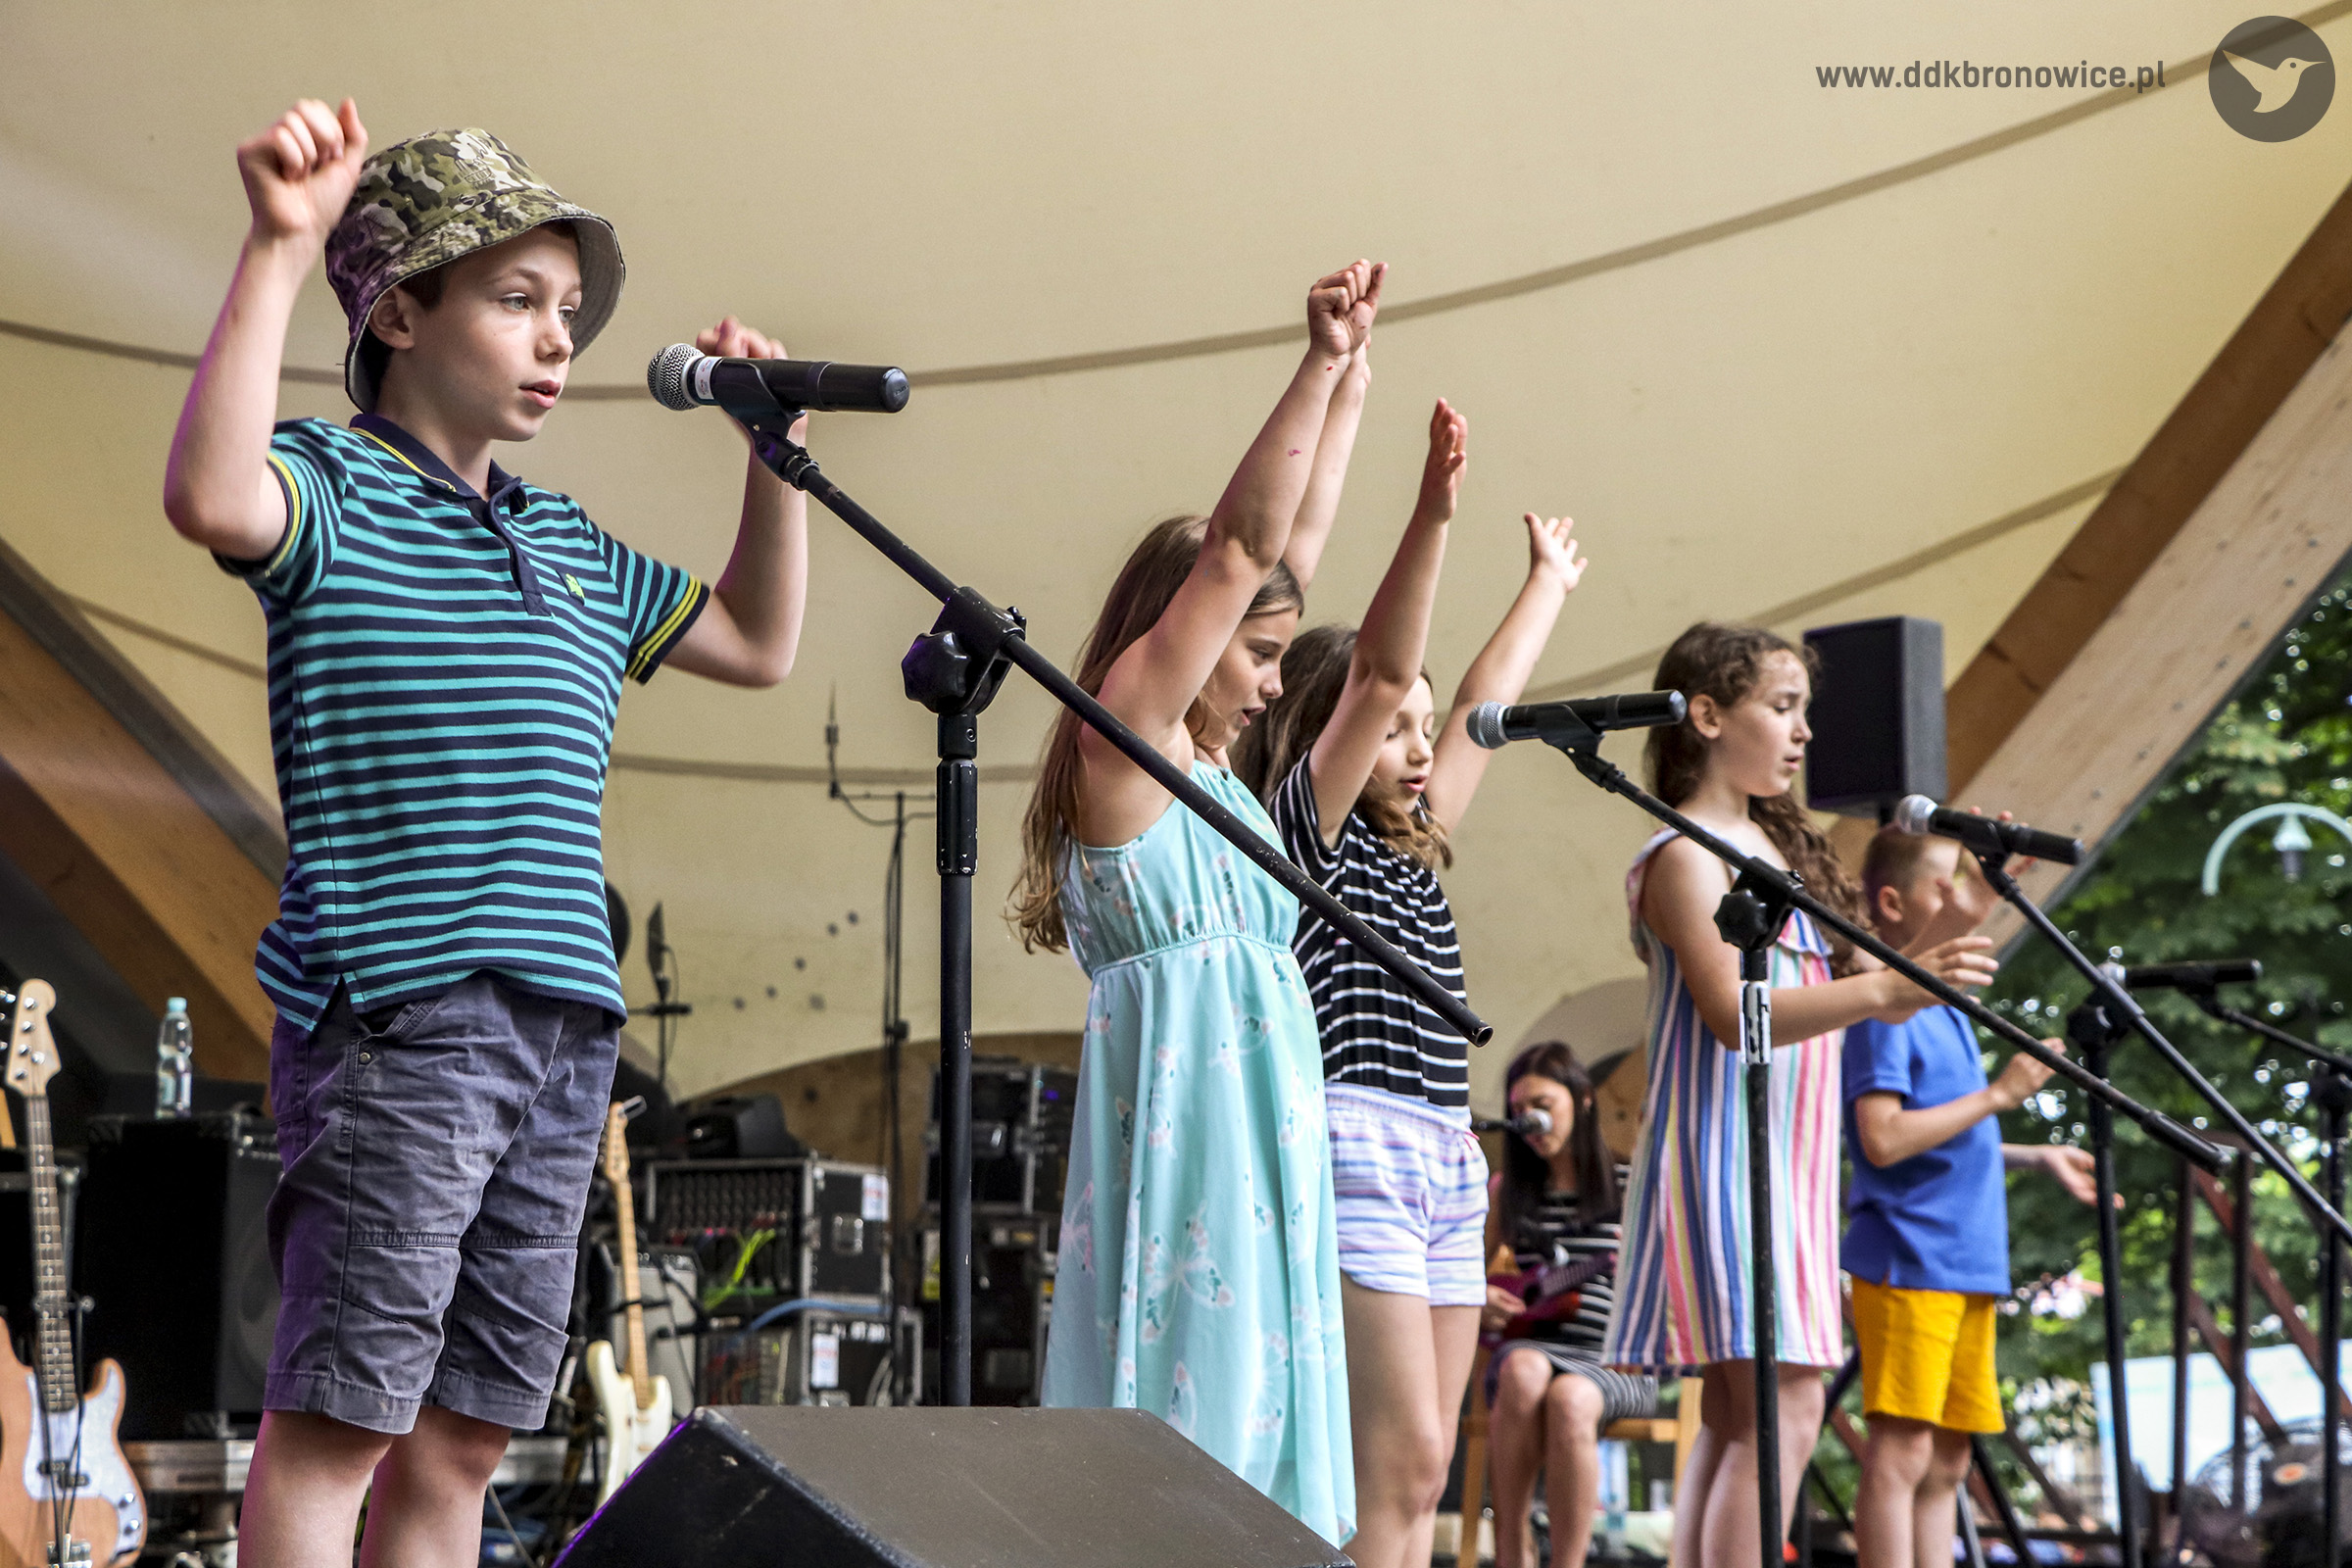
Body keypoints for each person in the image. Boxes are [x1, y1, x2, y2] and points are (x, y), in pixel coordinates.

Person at [162, 102, 809, 1567]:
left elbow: (760, 642)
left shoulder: (567, 540)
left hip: (564, 1028)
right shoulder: (333, 485)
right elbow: (208, 493)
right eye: (517, 299)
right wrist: (280, 244)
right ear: (399, 311)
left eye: (568, 309)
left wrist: (773, 460)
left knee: (463, 1437)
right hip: (406, 1013)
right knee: (344, 1422)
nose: (557, 337)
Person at [1012, 261, 1386, 1544]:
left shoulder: (1221, 778)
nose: (1279, 683)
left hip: (1266, 1120)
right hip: (1190, 1123)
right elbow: (1246, 549)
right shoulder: (1126, 748)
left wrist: (1352, 385)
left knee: (1265, 1419)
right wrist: (1315, 366)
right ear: (1184, 630)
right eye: (1261, 652)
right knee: (1194, 1409)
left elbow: (1291, 556)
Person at [1234, 399, 1589, 1568]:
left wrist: (1544, 588)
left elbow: (1477, 708)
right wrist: (1433, 514)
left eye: (1421, 730)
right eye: (1397, 732)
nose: (1420, 746)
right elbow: (1383, 675)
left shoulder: (1416, 842)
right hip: (1359, 1143)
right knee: (1392, 1461)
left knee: (1426, 1469)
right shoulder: (1311, 840)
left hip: (1444, 1152)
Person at [1601, 622, 1999, 1568]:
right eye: (1782, 708)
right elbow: (1732, 1014)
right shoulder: (1685, 855)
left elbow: (1875, 976)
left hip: (1789, 1162)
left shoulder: (1777, 849)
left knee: (1745, 1414)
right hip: (1725, 1151)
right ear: (1706, 716)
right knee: (1783, 1406)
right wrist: (1885, 990)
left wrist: (1967, 908)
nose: (1805, 732)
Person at [1844, 826, 2099, 1568]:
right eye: (1944, 887)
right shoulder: (1886, 1005)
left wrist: (2032, 1154)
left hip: (1967, 1260)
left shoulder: (1946, 1004)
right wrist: (1998, 1096)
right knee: (1902, 1451)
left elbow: (1942, 1135)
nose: (1961, 902)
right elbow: (1883, 1138)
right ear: (1892, 904)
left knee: (1949, 1461)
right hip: (1910, 1255)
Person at [1481, 1043, 1660, 1568]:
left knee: (1572, 1399)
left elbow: (1669, 1287)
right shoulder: (1508, 1192)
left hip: (1613, 1360)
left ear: (1583, 1100)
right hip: (1531, 1348)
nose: (1530, 1122)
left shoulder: (1630, 1184)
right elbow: (1463, 1276)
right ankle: (1512, 1548)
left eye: (1542, 1105)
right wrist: (1480, 1297)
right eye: (1519, 1112)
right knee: (1523, 1370)